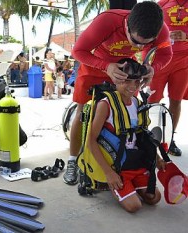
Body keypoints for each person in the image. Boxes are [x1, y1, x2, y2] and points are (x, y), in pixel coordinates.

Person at [63, 1, 173, 185]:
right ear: (128, 24)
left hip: (125, 72)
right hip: (94, 67)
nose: (139, 47)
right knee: (82, 115)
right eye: (136, 41)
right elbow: (78, 51)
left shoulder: (160, 28)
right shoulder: (108, 20)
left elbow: (166, 54)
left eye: (146, 44)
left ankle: (117, 158)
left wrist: (152, 68)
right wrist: (105, 66)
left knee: (126, 117)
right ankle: (73, 160)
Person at [88, 58, 166, 213]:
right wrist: (109, 173)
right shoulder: (106, 104)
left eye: (137, 82)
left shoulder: (137, 103)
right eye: (127, 81)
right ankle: (118, 184)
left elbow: (143, 136)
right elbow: (91, 140)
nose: (132, 86)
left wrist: (157, 158)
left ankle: (133, 184)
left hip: (134, 161)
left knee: (154, 198)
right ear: (115, 79)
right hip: (116, 165)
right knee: (134, 206)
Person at [148, 0, 188, 157]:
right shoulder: (161, 4)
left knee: (176, 100)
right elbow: (149, 29)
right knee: (152, 101)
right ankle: (147, 138)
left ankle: (169, 139)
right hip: (161, 58)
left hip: (183, 61)